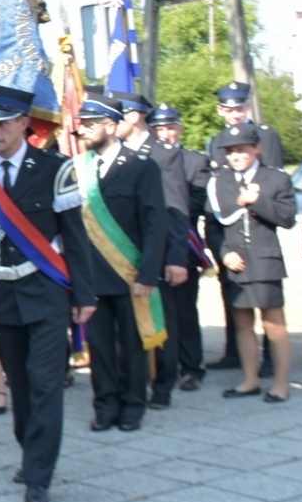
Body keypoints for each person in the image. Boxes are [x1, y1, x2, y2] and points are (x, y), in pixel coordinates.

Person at [0, 85, 96, 502]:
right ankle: (30, 452)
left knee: (45, 384)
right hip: (1, 294)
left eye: (2, 124)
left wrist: (84, 294)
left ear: (23, 123)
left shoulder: (55, 168)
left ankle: (38, 477)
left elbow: (75, 236)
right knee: (19, 384)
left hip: (47, 291)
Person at [74, 92, 168, 433]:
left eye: (90, 124)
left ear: (111, 126)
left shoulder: (141, 167)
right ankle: (105, 405)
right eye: (82, 124)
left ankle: (133, 404)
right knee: (99, 348)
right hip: (92, 276)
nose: (83, 130)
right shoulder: (78, 169)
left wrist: (148, 273)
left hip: (129, 274)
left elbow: (155, 224)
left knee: (131, 344)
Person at [111, 93, 193, 409]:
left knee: (160, 320)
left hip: (154, 253)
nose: (112, 123)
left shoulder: (163, 154)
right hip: (120, 254)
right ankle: (131, 381)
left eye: (117, 116)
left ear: (134, 116)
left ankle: (162, 386)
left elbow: (175, 209)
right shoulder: (114, 153)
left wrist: (175, 258)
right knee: (126, 326)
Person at [205, 124, 297, 401]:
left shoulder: (276, 178)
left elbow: (288, 218)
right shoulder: (219, 182)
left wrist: (257, 201)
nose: (235, 156)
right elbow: (212, 226)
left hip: (265, 260)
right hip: (236, 262)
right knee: (243, 323)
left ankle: (280, 383)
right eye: (230, 151)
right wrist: (224, 253)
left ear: (256, 149)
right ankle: (249, 380)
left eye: (241, 150)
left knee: (273, 324)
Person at [205, 81, 283, 375]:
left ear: (247, 107)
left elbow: (271, 179)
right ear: (220, 110)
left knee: (267, 303)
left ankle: (271, 359)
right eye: (229, 109)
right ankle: (234, 352)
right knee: (232, 294)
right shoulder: (216, 141)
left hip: (257, 224)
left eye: (239, 108)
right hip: (228, 225)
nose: (235, 113)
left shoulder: (266, 135)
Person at [151, 104, 210, 391]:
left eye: (170, 128)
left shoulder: (195, 161)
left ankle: (192, 367)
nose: (165, 134)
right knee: (158, 311)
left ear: (180, 129)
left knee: (184, 311)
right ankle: (163, 366)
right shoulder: (146, 158)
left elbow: (198, 201)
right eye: (159, 129)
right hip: (153, 246)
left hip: (183, 244)